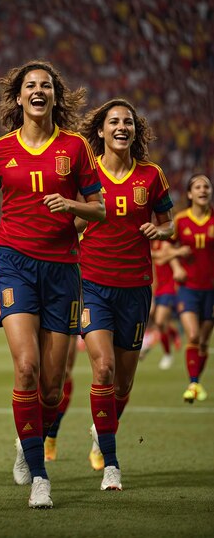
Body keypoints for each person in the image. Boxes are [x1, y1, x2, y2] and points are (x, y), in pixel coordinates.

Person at [0, 60, 105, 509]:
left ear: (54, 97)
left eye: (46, 85)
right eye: (31, 85)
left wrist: (72, 205)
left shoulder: (76, 148)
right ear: (19, 97)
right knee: (25, 367)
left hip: (63, 268)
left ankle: (25, 438)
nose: (38, 90)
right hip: (13, 264)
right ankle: (39, 474)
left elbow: (99, 209)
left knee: (50, 385)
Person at [76, 97, 174, 490]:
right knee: (103, 369)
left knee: (123, 385)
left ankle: (103, 429)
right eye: (113, 122)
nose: (121, 127)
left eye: (128, 122)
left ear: (135, 131)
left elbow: (168, 224)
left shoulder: (151, 175)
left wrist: (159, 231)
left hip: (135, 288)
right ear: (100, 131)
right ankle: (112, 464)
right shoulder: (87, 173)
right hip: (92, 285)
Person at [171, 174, 214, 403]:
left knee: (204, 341)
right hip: (188, 288)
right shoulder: (180, 220)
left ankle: (196, 382)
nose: (203, 190)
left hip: (211, 290)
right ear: (189, 194)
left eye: (206, 186)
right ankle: (193, 383)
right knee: (194, 334)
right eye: (197, 187)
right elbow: (167, 249)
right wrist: (177, 263)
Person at [140, 240, 186, 369]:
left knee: (160, 322)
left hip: (169, 289)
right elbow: (157, 259)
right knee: (155, 319)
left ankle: (167, 355)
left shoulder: (166, 242)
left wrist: (175, 253)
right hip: (158, 289)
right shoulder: (151, 243)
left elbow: (160, 259)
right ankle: (173, 332)